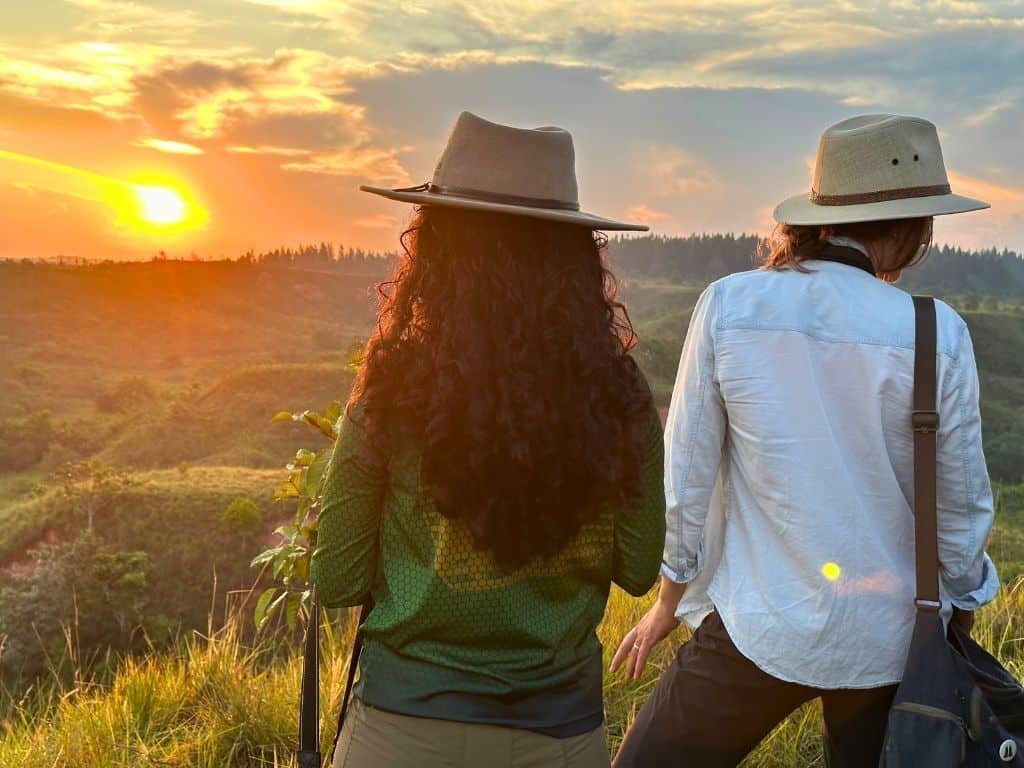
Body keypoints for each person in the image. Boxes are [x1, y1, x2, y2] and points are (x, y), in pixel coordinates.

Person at [610, 114, 998, 768]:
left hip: (760, 623)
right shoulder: (939, 332)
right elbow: (961, 516)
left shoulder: (730, 306)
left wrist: (668, 604)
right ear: (912, 230)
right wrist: (957, 616)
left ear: (820, 216)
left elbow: (687, 476)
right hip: (891, 639)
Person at [310, 111, 666, 768]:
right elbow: (640, 570)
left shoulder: (391, 392)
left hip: (401, 731)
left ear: (436, 248)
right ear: (573, 255)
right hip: (559, 733)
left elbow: (337, 577)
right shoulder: (620, 397)